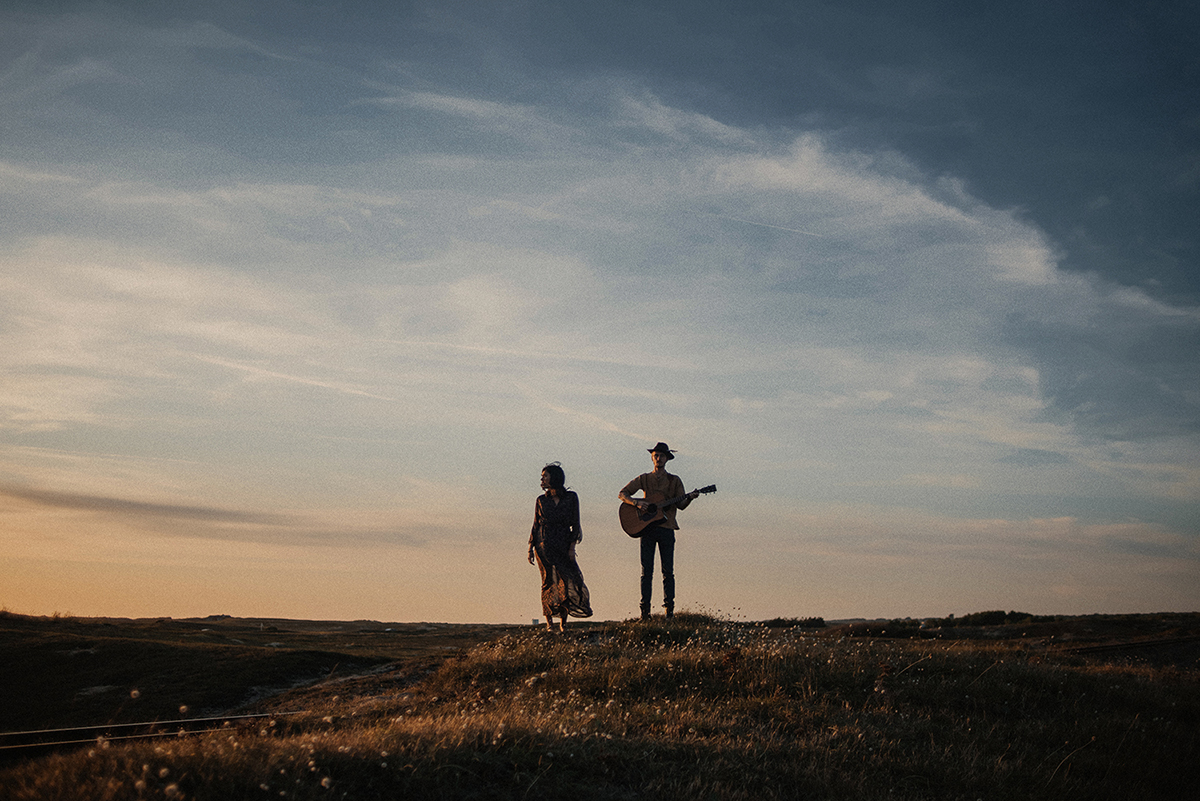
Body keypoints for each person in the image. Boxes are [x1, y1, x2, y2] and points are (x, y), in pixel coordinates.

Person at [618, 442, 700, 620]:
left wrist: (691, 498)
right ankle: (644, 612)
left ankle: (669, 611)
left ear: (667, 459)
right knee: (646, 571)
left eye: (662, 456)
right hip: (647, 529)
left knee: (667, 571)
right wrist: (638, 503)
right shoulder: (644, 478)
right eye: (656, 455)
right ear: (652, 457)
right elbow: (622, 493)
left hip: (667, 528)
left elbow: (681, 505)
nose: (658, 458)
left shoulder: (674, 481)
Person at [528, 462, 592, 632]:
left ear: (554, 478)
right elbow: (535, 524)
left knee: (568, 580)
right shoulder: (541, 500)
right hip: (543, 544)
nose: (541, 480)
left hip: (563, 544)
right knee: (547, 582)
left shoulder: (571, 497)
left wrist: (572, 547)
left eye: (545, 476)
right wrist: (530, 547)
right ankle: (550, 623)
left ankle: (563, 623)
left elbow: (576, 524)